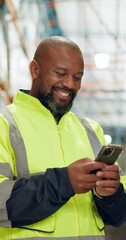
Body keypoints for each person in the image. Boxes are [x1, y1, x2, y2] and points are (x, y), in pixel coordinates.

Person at [0, 36, 125, 240]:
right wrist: (63, 183)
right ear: (35, 70)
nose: (69, 84)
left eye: (78, 77)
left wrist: (108, 195)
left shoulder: (91, 130)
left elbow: (117, 216)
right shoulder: (4, 124)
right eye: (60, 73)